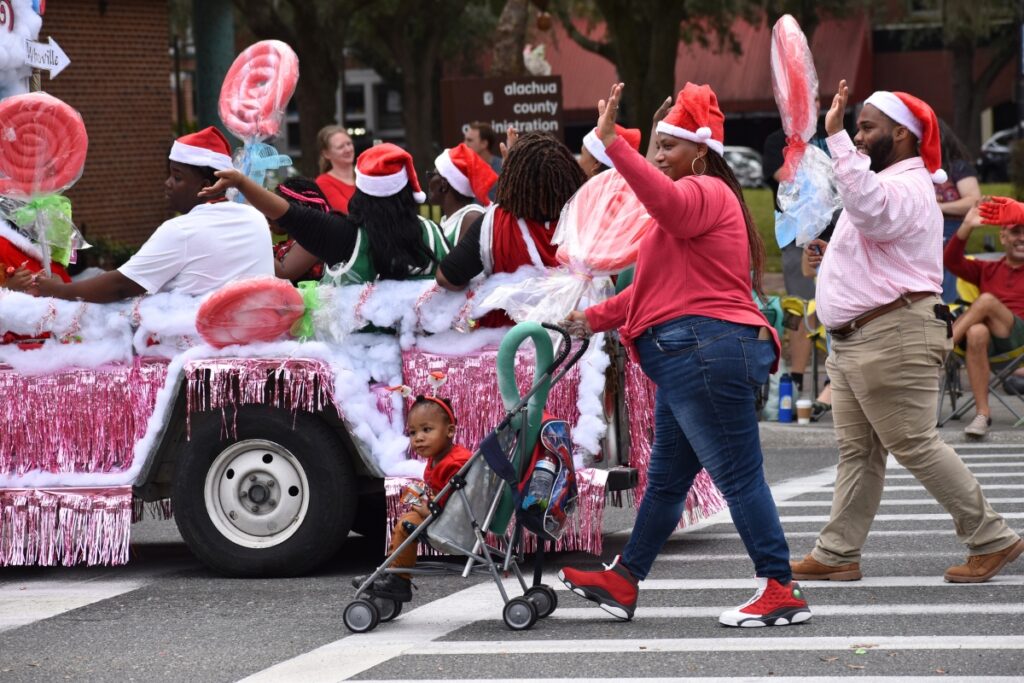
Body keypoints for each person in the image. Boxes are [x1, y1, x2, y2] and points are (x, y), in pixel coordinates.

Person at [557, 82, 810, 628]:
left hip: (703, 352)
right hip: (695, 354)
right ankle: (625, 578)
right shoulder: (699, 202)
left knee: (739, 477)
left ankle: (780, 585)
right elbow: (652, 290)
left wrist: (616, 147)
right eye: (654, 149)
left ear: (699, 149)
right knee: (669, 481)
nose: (658, 158)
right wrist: (591, 319)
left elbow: (664, 203)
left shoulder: (702, 193)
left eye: (666, 147)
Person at [789, 81, 1023, 584]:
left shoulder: (905, 184)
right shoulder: (887, 182)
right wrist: (832, 260)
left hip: (890, 334)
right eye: (856, 126)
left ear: (902, 133)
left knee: (914, 443)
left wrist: (835, 141)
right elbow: (877, 251)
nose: (857, 132)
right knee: (859, 451)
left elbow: (872, 214)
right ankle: (837, 553)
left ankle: (992, 538)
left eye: (867, 126)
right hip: (862, 337)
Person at [7, 127, 273, 302]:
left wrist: (58, 290)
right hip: (257, 345)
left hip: (197, 357)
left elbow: (121, 286)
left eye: (177, 177)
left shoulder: (182, 230)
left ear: (206, 185)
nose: (167, 184)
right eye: (169, 174)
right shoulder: (254, 218)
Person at [203, 143, 449, 283]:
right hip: (420, 367)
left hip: (356, 367)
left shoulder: (345, 236)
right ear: (408, 193)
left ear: (360, 191)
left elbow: (290, 214)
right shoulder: (434, 233)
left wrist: (241, 182)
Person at [436, 132, 586, 327]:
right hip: (575, 343)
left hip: (507, 345)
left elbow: (446, 277)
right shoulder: (585, 220)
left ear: (515, 179)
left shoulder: (495, 223)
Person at [352, 395, 472, 602]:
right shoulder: (439, 460)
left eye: (427, 430)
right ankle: (392, 573)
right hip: (449, 516)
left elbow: (447, 507)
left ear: (450, 431)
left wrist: (419, 505)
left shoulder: (454, 464)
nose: (418, 438)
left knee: (406, 524)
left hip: (454, 523)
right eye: (413, 432)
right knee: (407, 517)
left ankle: (398, 579)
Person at [943, 197, 1024, 438]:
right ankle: (982, 414)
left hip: (1019, 340)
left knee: (987, 300)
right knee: (977, 332)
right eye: (1015, 232)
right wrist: (966, 226)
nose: (1021, 237)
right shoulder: (987, 269)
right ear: (1002, 237)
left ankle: (940, 347)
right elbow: (951, 262)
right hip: (989, 343)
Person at [763, 122, 832, 397]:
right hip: (796, 235)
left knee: (836, 305)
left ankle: (835, 379)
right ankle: (796, 378)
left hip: (835, 231)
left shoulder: (829, 137)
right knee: (803, 307)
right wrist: (802, 152)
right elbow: (782, 175)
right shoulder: (776, 140)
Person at [935, 119, 982, 302]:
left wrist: (939, 207)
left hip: (950, 233)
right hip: (922, 234)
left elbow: (973, 201)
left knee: (948, 281)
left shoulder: (957, 167)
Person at [429, 142, 497, 244]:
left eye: (431, 175)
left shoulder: (471, 217)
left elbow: (453, 260)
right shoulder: (447, 220)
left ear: (444, 184)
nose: (428, 180)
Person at [270, 177, 332, 283]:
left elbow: (284, 274)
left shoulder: (313, 237)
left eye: (276, 207)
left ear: (298, 208)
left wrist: (258, 239)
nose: (269, 213)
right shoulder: (291, 240)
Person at [315, 125, 357, 213]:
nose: (348, 149)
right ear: (326, 154)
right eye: (341, 147)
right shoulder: (323, 182)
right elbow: (349, 212)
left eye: (349, 144)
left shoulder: (364, 175)